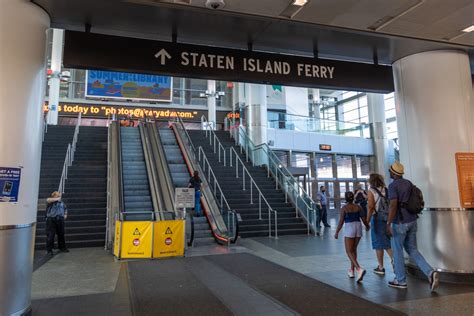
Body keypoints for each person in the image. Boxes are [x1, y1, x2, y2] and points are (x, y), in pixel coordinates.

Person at [386, 161, 439, 291]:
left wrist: (388, 223)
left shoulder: (393, 186)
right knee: (412, 249)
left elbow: (393, 205)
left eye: (390, 171)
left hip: (399, 223)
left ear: (393, 173)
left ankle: (401, 280)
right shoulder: (408, 183)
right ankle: (430, 272)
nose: (389, 173)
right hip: (412, 221)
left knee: (397, 251)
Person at [335, 191, 370, 282]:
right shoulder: (358, 207)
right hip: (358, 227)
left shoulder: (344, 208)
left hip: (350, 227)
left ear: (345, 199)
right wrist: (367, 226)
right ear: (353, 198)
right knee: (353, 250)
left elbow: (341, 221)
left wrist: (337, 232)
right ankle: (352, 271)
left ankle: (359, 269)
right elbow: (363, 219)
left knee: (348, 251)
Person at [366, 173, 393, 275]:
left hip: (377, 219)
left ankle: (381, 267)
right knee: (388, 243)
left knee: (378, 244)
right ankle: (396, 263)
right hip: (387, 218)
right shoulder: (386, 189)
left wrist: (367, 221)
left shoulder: (371, 191)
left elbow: (371, 207)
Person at [45, 191, 69, 256]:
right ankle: (49, 250)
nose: (59, 196)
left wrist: (65, 214)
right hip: (51, 220)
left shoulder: (62, 203)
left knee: (61, 234)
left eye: (59, 195)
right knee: (51, 235)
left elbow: (65, 208)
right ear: (54, 196)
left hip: (60, 219)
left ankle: (62, 247)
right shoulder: (50, 202)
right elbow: (47, 200)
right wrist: (57, 199)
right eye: (57, 195)